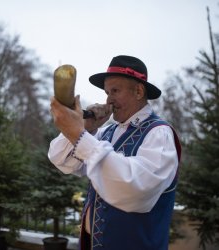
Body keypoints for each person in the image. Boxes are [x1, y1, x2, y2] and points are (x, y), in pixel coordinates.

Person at [48, 55, 181, 250]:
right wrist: (87, 127)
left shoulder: (159, 133)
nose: (108, 99)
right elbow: (59, 158)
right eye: (107, 92)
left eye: (115, 91)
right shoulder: (107, 132)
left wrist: (80, 135)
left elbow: (135, 187)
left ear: (138, 91)